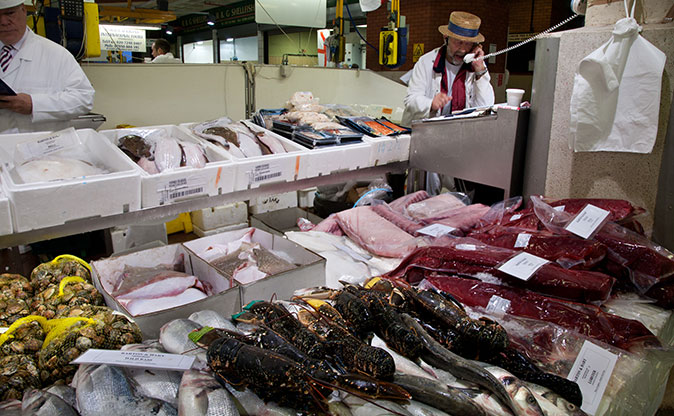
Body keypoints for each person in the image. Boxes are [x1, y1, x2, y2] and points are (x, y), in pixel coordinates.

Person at [0, 0, 94, 134]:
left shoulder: (56, 54)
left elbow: (84, 99)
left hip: (40, 149)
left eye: (9, 13)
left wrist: (34, 105)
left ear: (23, 11)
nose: (3, 22)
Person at [402, 11, 495, 126]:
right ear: (446, 38)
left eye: (468, 44)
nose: (463, 50)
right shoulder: (426, 62)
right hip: (426, 131)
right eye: (459, 42)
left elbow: (486, 106)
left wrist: (480, 71)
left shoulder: (476, 66)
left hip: (457, 131)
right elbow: (410, 100)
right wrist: (431, 103)